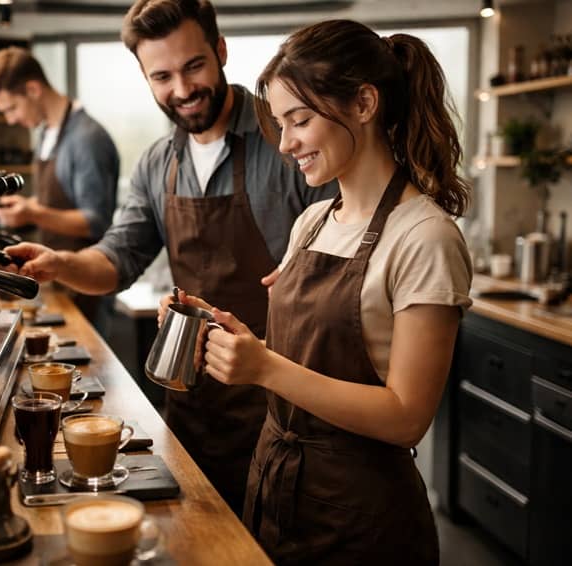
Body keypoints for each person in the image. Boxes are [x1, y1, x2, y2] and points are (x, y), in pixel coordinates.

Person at [5, 0, 337, 516]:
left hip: (286, 410)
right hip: (194, 406)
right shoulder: (159, 163)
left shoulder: (288, 141)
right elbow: (118, 257)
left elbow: (338, 274)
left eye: (193, 66)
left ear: (220, 50)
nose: (182, 89)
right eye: (161, 76)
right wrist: (60, 264)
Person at [166, 19, 473, 564]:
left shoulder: (425, 237)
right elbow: (305, 359)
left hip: (361, 518)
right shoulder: (312, 221)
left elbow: (407, 416)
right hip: (277, 490)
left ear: (364, 103)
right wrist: (226, 334)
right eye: (281, 124)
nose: (286, 144)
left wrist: (264, 368)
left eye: (300, 120)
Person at [0, 47, 120, 327]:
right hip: (59, 281)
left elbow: (95, 221)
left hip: (86, 288)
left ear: (33, 89)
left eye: (12, 108)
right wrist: (26, 207)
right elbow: (55, 202)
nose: (10, 120)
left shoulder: (87, 139)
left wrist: (32, 213)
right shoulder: (47, 134)